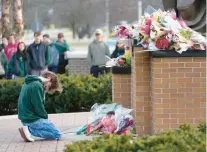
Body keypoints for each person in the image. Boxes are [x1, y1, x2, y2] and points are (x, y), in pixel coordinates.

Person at [18, 71, 63, 142]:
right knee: (58, 134)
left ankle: (28, 130)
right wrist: (45, 118)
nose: (47, 89)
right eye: (49, 86)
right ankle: (29, 130)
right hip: (32, 119)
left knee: (51, 130)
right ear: (49, 78)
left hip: (25, 118)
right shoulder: (37, 85)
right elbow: (38, 106)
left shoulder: (28, 82)